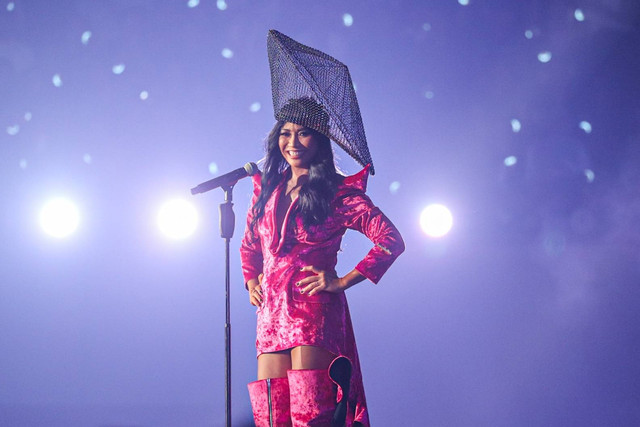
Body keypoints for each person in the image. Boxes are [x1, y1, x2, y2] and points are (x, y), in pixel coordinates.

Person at [240, 97, 405, 426]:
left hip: (312, 312)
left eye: (303, 133)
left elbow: (390, 239)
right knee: (271, 418)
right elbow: (249, 244)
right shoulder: (266, 189)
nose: (292, 142)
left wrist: (341, 281)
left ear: (320, 139)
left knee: (309, 416)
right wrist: (252, 280)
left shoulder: (337, 193)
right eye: (285, 133)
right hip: (271, 314)